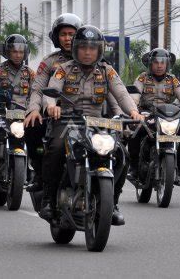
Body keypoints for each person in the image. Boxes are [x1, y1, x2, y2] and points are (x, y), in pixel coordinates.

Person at [40, 25, 143, 226]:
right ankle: (49, 201)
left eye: (92, 48)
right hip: (69, 121)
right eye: (84, 48)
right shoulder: (63, 69)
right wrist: (51, 106)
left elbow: (122, 93)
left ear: (99, 50)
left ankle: (112, 204)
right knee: (56, 149)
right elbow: (51, 91)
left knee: (122, 154)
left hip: (98, 123)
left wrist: (133, 112)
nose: (88, 52)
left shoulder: (107, 71)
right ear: (77, 49)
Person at [24, 13, 83, 192]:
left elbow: (114, 92)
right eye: (63, 34)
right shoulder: (49, 62)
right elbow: (37, 89)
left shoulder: (93, 60)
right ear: (57, 37)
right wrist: (35, 109)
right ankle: (41, 174)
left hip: (89, 118)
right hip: (56, 115)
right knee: (33, 126)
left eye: (71, 34)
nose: (67, 38)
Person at [128, 48, 180, 187]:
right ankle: (134, 169)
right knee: (135, 130)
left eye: (163, 62)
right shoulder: (143, 77)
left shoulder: (172, 79)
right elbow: (135, 96)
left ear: (167, 64)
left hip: (168, 116)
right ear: (150, 64)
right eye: (156, 62)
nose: (159, 65)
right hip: (147, 115)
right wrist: (134, 109)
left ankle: (177, 169)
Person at [0, 34, 35, 186]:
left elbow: (35, 93)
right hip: (1, 113)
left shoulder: (30, 73)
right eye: (14, 51)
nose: (18, 55)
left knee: (37, 136)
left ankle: (32, 168)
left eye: (21, 52)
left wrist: (35, 108)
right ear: (8, 52)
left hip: (23, 115)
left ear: (25, 53)